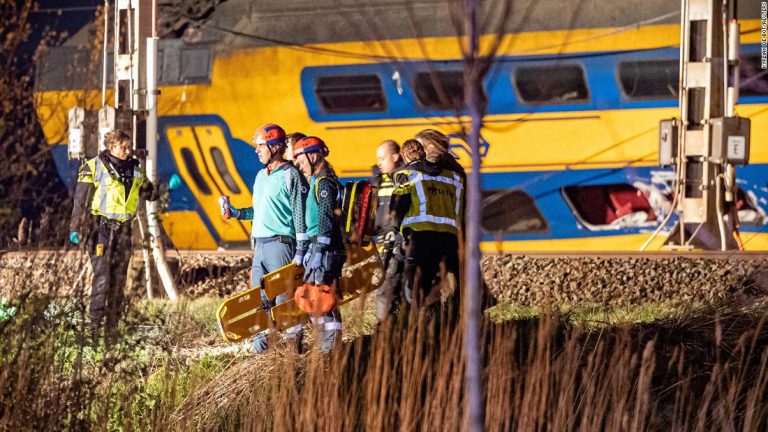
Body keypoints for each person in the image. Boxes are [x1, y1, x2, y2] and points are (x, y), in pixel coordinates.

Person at [219, 123, 309, 353]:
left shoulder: (291, 175)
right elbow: (259, 211)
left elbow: (299, 212)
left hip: (281, 246)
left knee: (283, 301)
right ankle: (260, 357)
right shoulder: (260, 175)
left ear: (275, 147)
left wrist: (301, 249)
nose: (256, 151)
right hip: (260, 247)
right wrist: (237, 213)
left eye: (261, 146)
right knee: (259, 301)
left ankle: (293, 352)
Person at [68, 130, 158, 334]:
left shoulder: (135, 170)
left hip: (124, 232)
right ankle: (94, 327)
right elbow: (80, 200)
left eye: (129, 147)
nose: (128, 150)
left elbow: (150, 194)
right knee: (102, 277)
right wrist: (75, 227)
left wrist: (167, 188)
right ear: (111, 147)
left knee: (118, 279)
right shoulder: (93, 167)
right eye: (124, 147)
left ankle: (112, 326)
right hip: (101, 229)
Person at [391, 138, 463, 308]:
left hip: (420, 237)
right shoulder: (453, 178)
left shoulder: (407, 175)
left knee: (415, 287)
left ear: (404, 157)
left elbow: (398, 208)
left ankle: (422, 324)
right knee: (443, 284)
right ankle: (446, 321)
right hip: (450, 239)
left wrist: (397, 230)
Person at [293, 136, 345, 352]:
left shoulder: (325, 184)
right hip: (318, 248)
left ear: (314, 155)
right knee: (316, 301)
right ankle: (325, 346)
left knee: (324, 299)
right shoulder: (316, 181)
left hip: (325, 250)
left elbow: (325, 219)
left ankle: (331, 349)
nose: (298, 163)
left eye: (301, 158)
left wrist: (319, 251)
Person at [371, 140, 405, 322]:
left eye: (382, 158)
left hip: (397, 244)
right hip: (384, 244)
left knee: (387, 289)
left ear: (395, 156)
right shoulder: (380, 181)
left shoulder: (403, 179)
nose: (379, 163)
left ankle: (383, 328)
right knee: (386, 287)